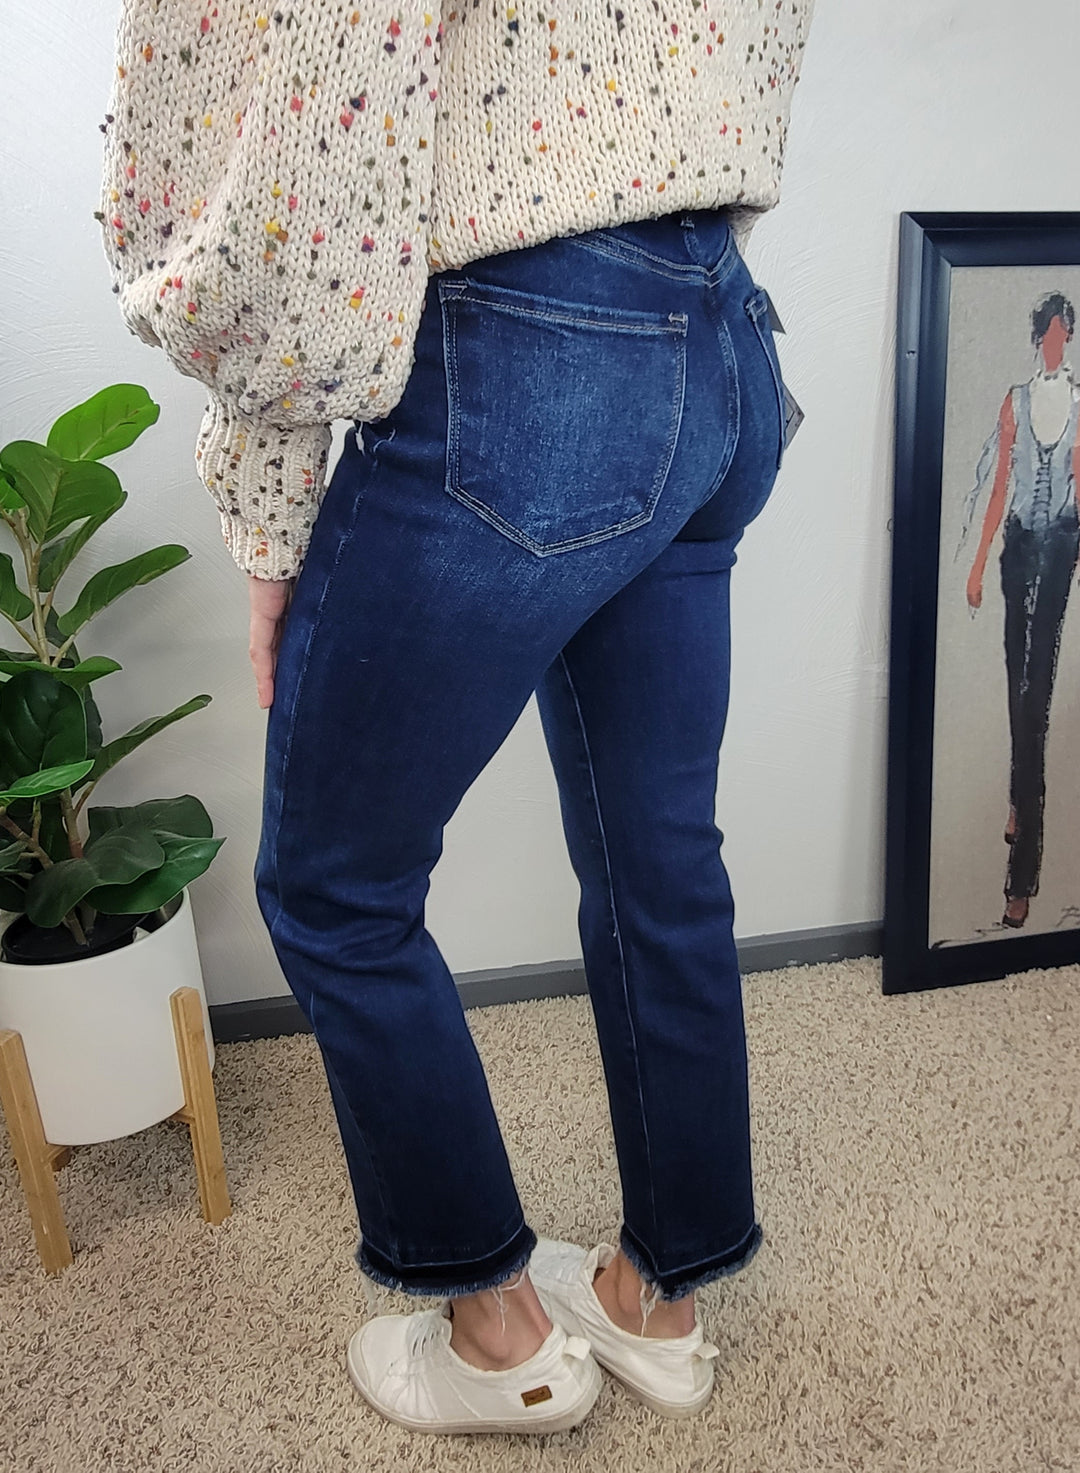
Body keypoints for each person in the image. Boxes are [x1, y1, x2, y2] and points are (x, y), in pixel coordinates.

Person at [97, 2, 816, 1437]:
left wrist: (267, 509)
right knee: (661, 858)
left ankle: (496, 1336)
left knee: (334, 890)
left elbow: (311, 113)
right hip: (719, 334)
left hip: (533, 346)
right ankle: (656, 1303)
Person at [963, 294, 1080, 929]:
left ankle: (1022, 877)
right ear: (1038, 339)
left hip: (1060, 548)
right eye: (1049, 335)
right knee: (1017, 687)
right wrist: (979, 563)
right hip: (1017, 550)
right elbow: (1001, 486)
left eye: (1064, 335)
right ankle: (1017, 794)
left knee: (1036, 705)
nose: (1056, 344)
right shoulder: (1016, 401)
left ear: (1070, 339)